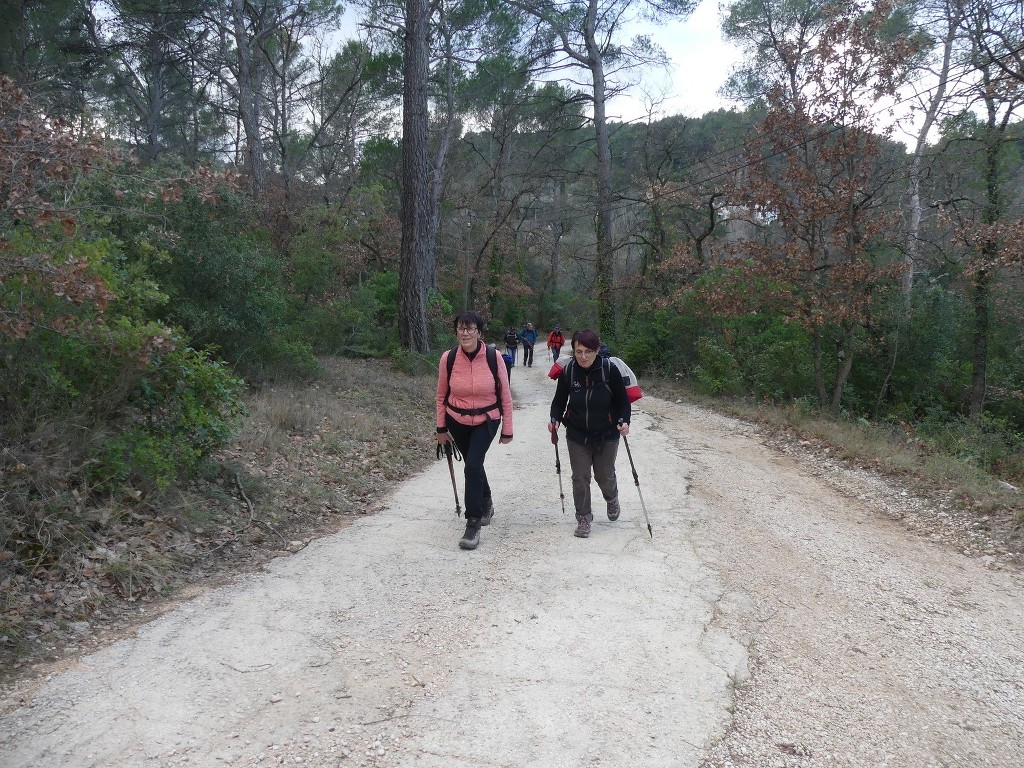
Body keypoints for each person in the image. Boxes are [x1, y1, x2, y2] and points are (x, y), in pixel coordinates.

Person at [436, 311, 514, 550]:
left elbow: (505, 395)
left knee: (471, 465)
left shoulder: (493, 357)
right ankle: (486, 499)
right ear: (456, 332)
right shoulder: (448, 359)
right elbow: (441, 395)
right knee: (474, 463)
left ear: (479, 332)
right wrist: (441, 428)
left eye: (470, 329)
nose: (465, 333)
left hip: (486, 420)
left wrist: (507, 429)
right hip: (456, 421)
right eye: (461, 328)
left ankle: (473, 522)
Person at [548, 329, 630, 539]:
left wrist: (624, 421)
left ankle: (611, 498)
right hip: (577, 434)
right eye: (579, 351)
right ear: (573, 351)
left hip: (607, 433)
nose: (583, 357)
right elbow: (559, 401)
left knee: (604, 475)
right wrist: (554, 419)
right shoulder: (568, 372)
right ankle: (583, 517)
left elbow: (623, 402)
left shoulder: (609, 370)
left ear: (597, 350)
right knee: (580, 477)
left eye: (588, 351)